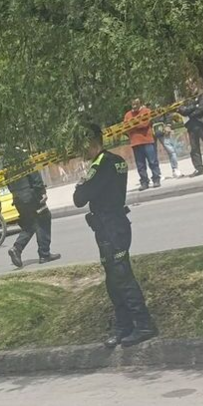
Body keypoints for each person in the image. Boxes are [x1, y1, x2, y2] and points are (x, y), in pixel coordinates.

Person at [74, 123, 158, 348]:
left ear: (92, 143)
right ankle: (123, 326)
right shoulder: (117, 160)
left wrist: (81, 183)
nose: (81, 151)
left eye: (83, 146)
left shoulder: (100, 165)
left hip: (110, 225)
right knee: (113, 278)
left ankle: (143, 324)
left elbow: (79, 199)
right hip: (111, 225)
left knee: (122, 276)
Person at [7, 167, 60, 268]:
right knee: (44, 219)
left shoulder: (7, 164)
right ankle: (44, 254)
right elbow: (34, 176)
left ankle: (16, 249)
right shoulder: (25, 161)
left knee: (30, 225)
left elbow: (8, 184)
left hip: (18, 199)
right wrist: (42, 191)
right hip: (32, 196)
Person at [124, 98, 162, 189]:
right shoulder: (128, 115)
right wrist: (136, 124)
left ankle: (156, 179)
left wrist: (133, 125)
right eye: (133, 104)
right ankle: (144, 182)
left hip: (147, 140)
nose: (134, 106)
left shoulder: (146, 111)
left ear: (140, 103)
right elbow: (125, 127)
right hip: (135, 142)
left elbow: (144, 124)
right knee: (140, 164)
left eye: (136, 104)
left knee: (152, 161)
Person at [154, 113, 181, 179]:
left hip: (163, 129)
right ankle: (157, 174)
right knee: (152, 155)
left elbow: (167, 113)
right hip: (150, 131)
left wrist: (168, 125)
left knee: (171, 151)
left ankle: (175, 169)